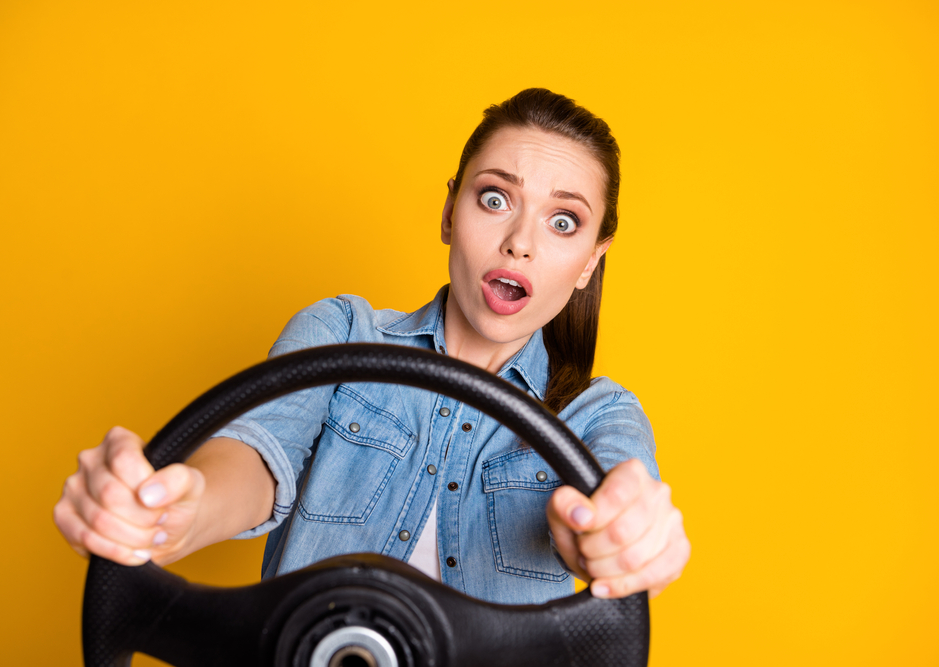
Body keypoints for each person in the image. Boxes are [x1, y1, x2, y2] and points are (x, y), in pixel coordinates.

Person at [54, 88, 690, 605]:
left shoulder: (597, 415)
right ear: (449, 213)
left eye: (563, 221)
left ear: (589, 263)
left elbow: (609, 504)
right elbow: (254, 458)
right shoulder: (341, 332)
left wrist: (621, 534)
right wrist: (169, 510)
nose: (520, 242)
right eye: (495, 199)